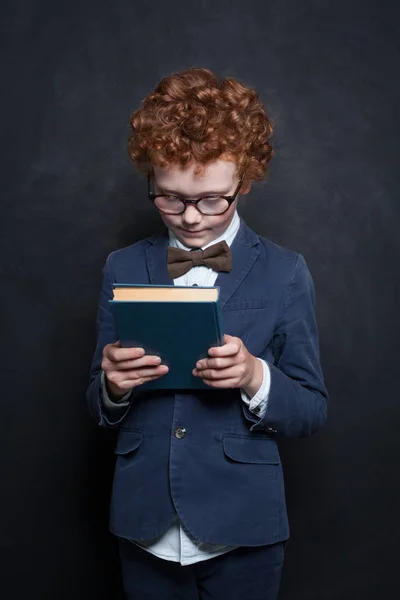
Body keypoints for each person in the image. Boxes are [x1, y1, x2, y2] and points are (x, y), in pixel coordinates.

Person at [86, 68, 328, 600]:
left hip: (245, 527)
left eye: (214, 200)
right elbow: (96, 404)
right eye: (170, 198)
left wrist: (254, 377)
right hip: (142, 525)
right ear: (150, 178)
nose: (191, 218)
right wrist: (114, 387)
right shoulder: (121, 265)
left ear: (245, 180)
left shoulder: (286, 272)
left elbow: (311, 407)